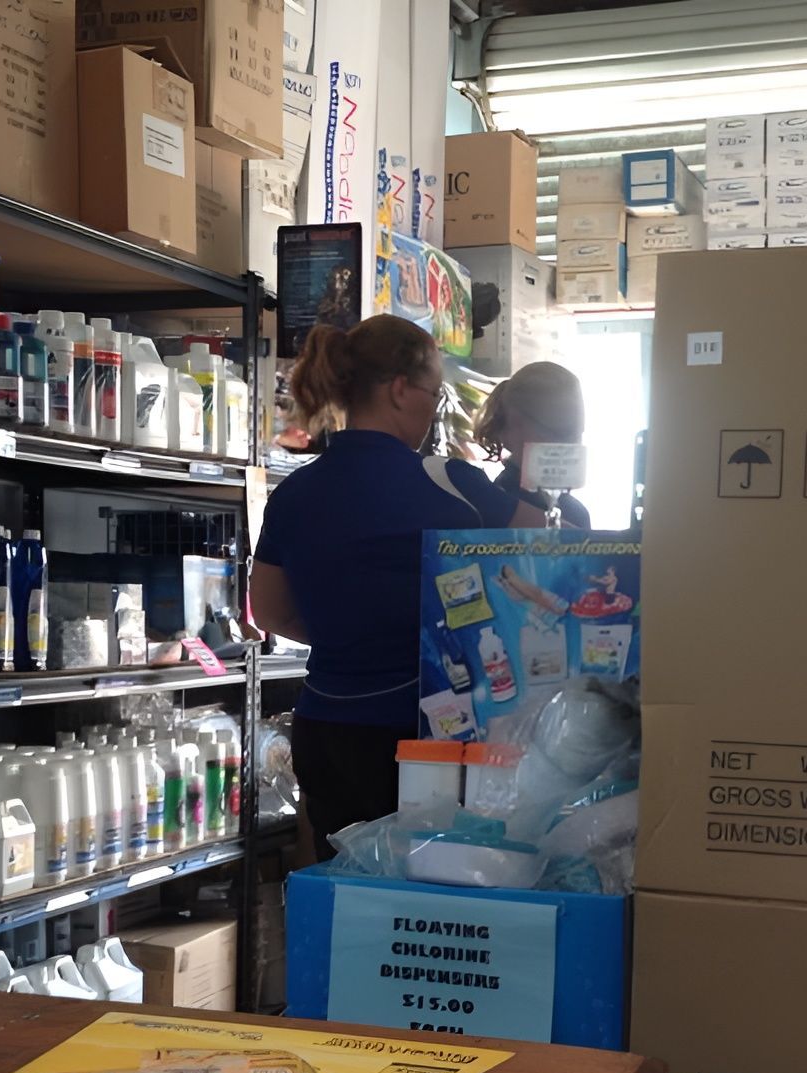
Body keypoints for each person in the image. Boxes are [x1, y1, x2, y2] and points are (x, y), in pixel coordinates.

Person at [251, 315, 545, 859]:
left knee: (350, 900)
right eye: (435, 393)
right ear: (399, 389)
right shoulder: (451, 483)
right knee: (426, 909)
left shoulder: (294, 493)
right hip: (424, 737)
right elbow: (545, 553)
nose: (436, 408)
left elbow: (266, 611)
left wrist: (347, 638)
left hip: (327, 730)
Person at [473, 361, 593, 529]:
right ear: (509, 432)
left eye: (576, 434)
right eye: (554, 432)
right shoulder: (489, 507)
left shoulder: (577, 514)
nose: (567, 447)